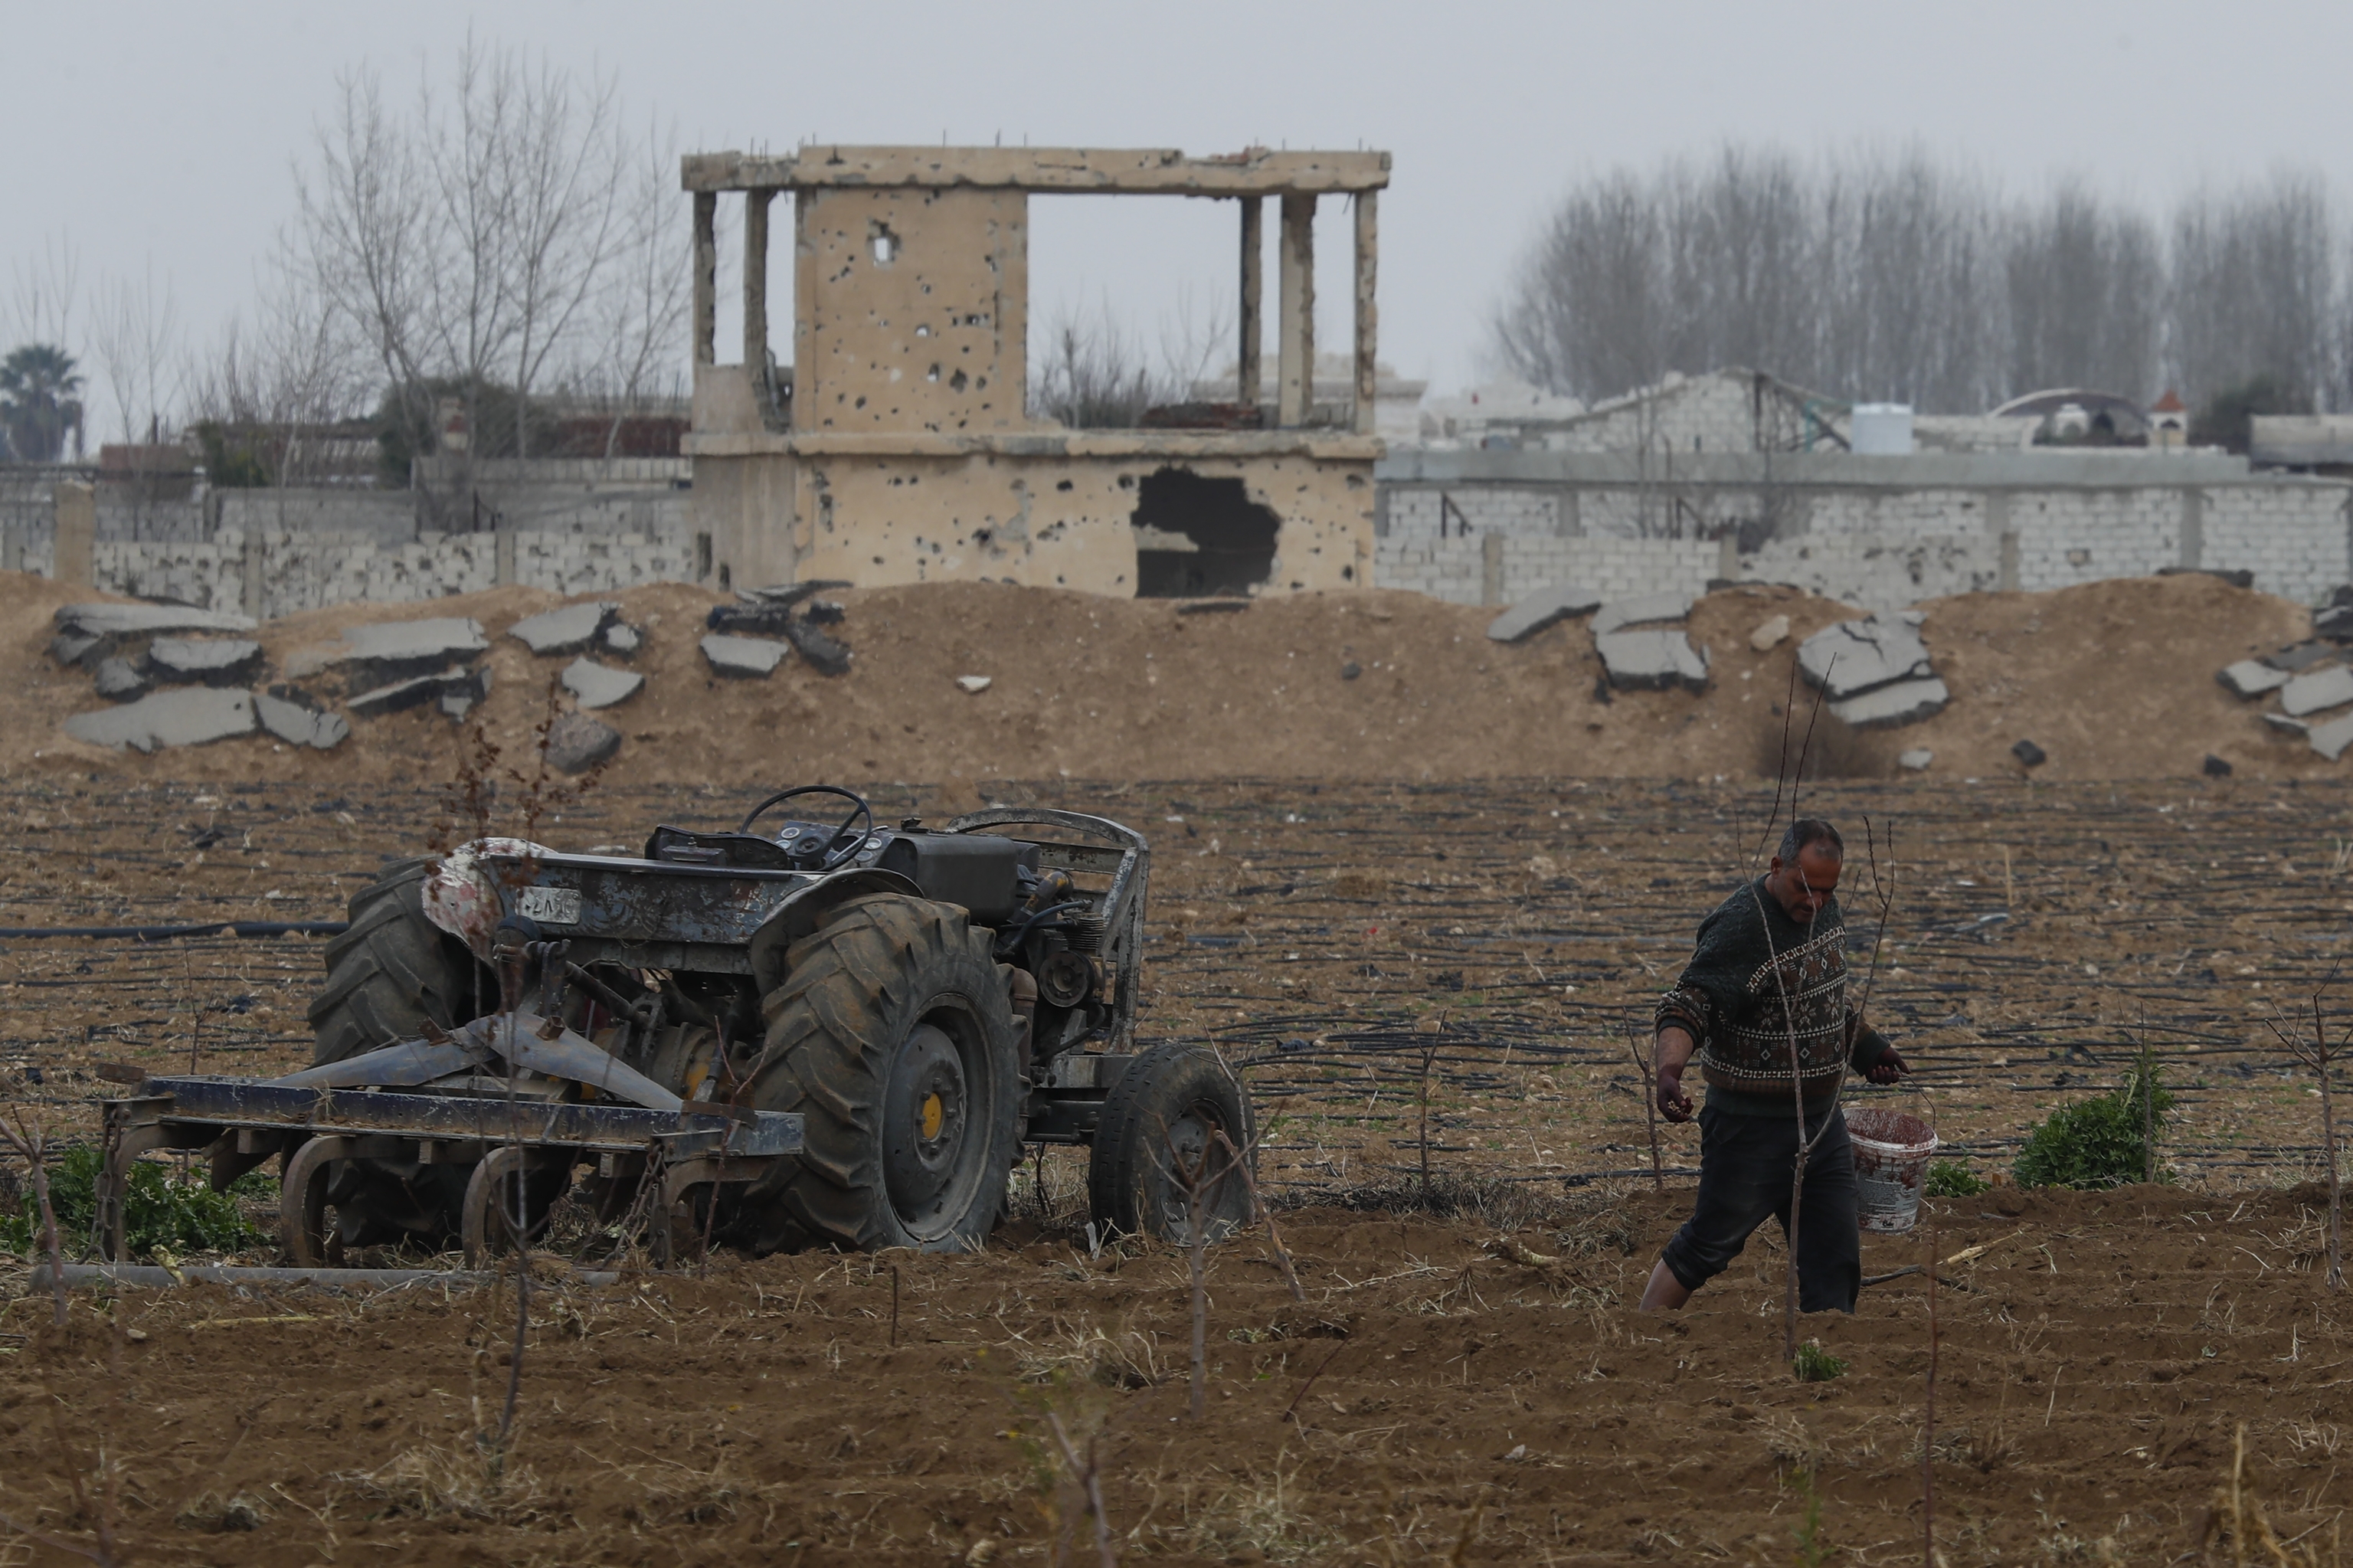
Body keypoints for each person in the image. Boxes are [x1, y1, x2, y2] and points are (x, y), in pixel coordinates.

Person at [1638, 818, 1909, 1314]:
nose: (1816, 901)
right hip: (1749, 1127)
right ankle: (1640, 1336)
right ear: (1777, 866)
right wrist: (1668, 1071)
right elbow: (1687, 1005)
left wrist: (1869, 1049)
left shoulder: (1825, 913)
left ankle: (1823, 1364)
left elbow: (1825, 1001)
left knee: (1835, 1259)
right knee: (1707, 1246)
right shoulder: (1743, 925)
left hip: (1822, 1125)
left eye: (1827, 890)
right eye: (1804, 886)